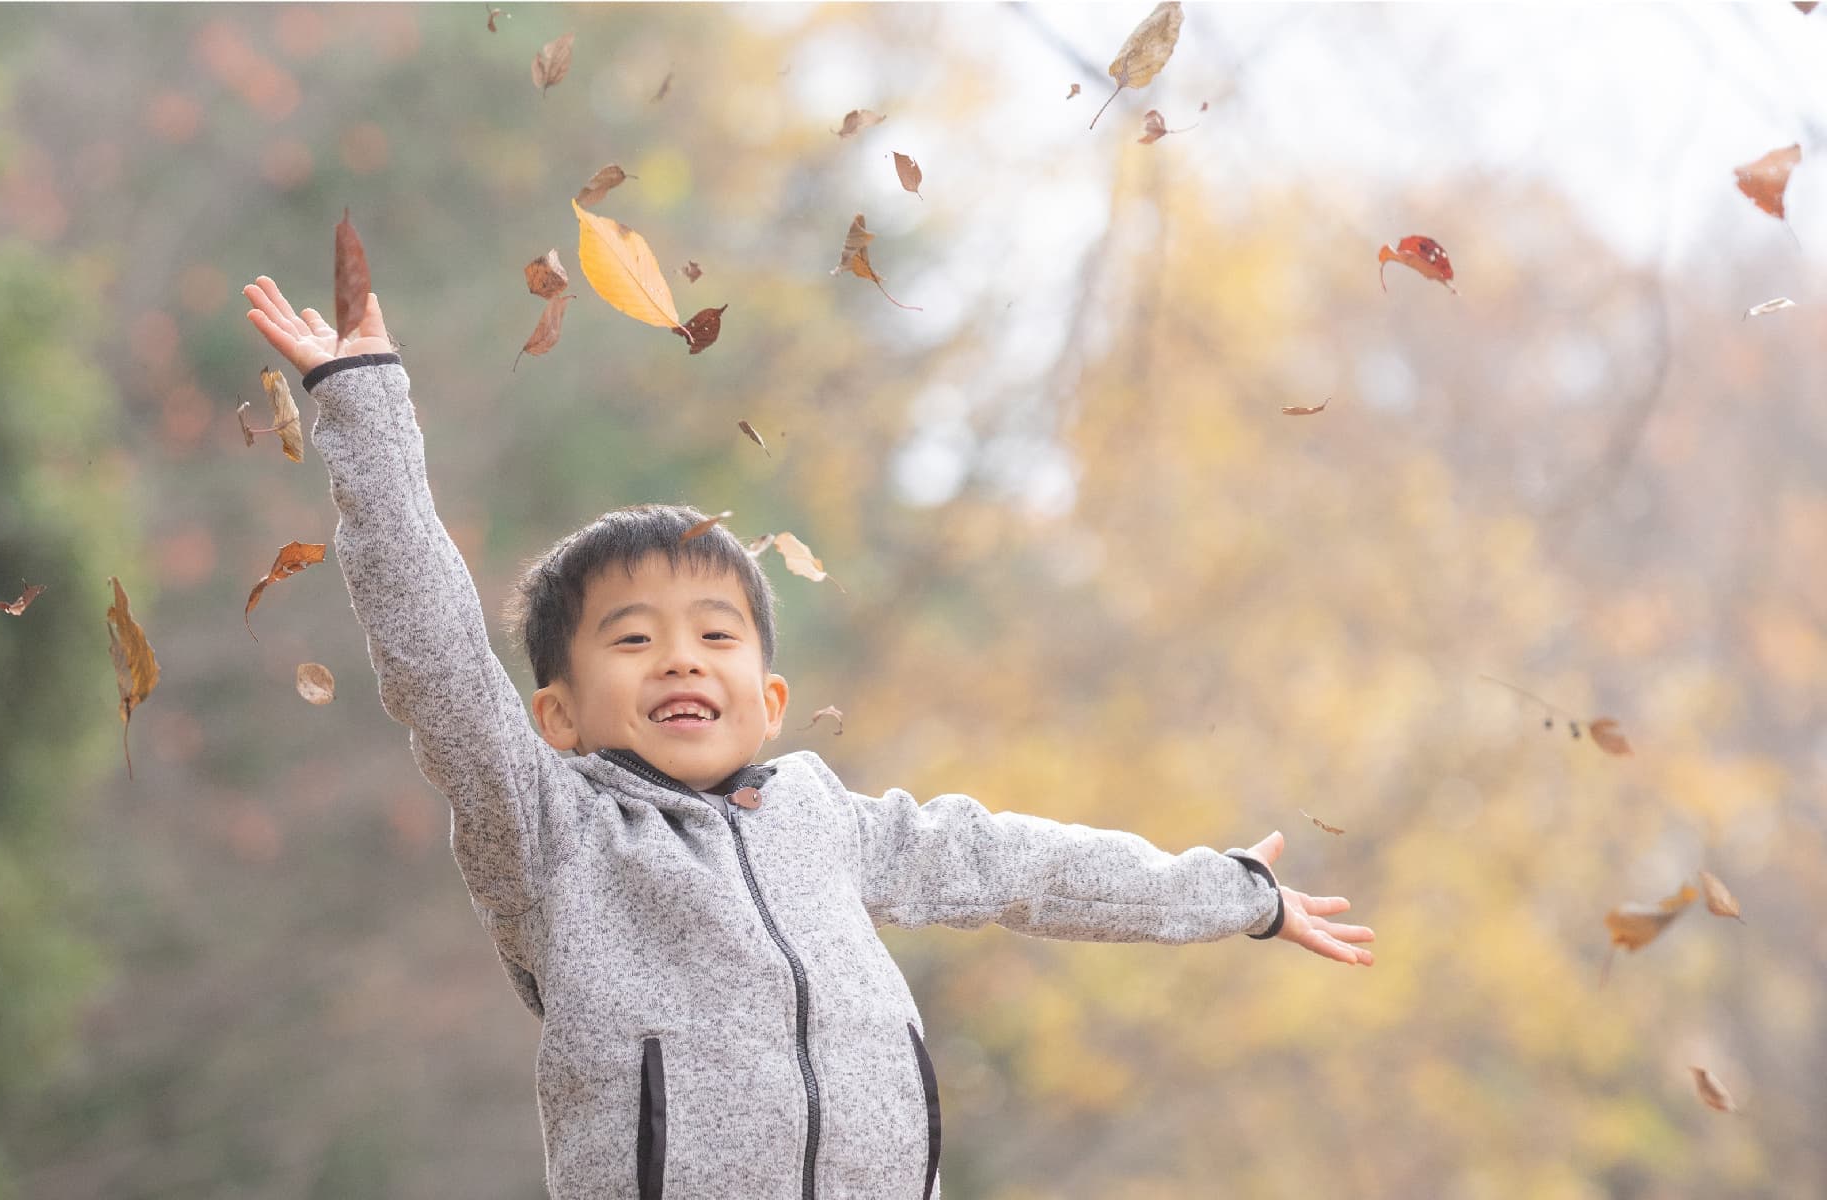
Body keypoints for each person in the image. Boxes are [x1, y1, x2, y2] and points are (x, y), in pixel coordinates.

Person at [243, 276, 1374, 1200]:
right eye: (633, 640)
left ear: (770, 699)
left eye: (715, 634)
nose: (682, 659)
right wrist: (362, 402)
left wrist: (1231, 894)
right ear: (559, 716)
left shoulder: (826, 821)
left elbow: (1022, 866)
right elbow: (434, 655)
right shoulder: (552, 831)